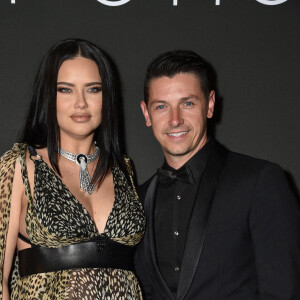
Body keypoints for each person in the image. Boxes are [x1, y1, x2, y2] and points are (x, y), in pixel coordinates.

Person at [134, 50, 300, 299]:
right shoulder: (138, 199)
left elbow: (283, 291)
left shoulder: (259, 182)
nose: (175, 120)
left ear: (210, 105)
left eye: (187, 103)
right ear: (147, 114)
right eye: (161, 107)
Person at [0, 38, 145, 299]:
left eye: (93, 89)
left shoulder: (124, 170)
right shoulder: (20, 166)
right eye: (65, 90)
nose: (81, 103)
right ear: (47, 96)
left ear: (107, 97)